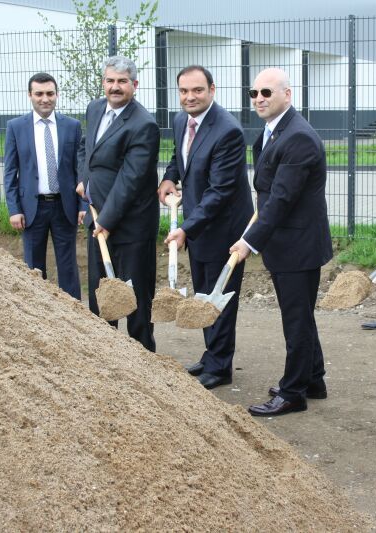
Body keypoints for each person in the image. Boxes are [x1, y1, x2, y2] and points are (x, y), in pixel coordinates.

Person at [230, 68, 333, 416]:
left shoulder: (298, 138)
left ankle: (293, 393)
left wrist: (249, 241)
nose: (259, 98)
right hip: (287, 243)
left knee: (296, 319)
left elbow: (281, 199)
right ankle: (313, 379)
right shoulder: (272, 133)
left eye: (267, 93)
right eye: (254, 93)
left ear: (287, 95)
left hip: (298, 246)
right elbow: (270, 193)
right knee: (300, 314)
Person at [157, 65, 254, 389]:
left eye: (197, 90)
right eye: (184, 91)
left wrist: (187, 227)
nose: (190, 97)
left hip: (223, 228)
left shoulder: (227, 130)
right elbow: (180, 156)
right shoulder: (181, 120)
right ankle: (211, 354)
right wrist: (170, 177)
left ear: (212, 90)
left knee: (219, 298)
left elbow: (221, 191)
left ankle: (220, 366)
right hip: (199, 223)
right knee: (202, 293)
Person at [76, 56, 159, 352]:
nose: (115, 87)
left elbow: (130, 180)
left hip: (131, 227)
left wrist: (106, 222)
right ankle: (106, 358)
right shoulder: (95, 108)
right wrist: (84, 179)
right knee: (102, 296)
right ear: (103, 83)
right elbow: (88, 149)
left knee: (135, 300)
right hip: (100, 221)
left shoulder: (144, 125)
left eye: (122, 81)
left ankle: (143, 359)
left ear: (134, 85)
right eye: (110, 81)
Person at [3, 72, 85, 300]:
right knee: (33, 267)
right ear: (30, 95)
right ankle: (38, 311)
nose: (45, 99)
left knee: (68, 265)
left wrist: (82, 205)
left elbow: (79, 169)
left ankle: (74, 313)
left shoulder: (72, 126)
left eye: (50, 93)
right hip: (32, 208)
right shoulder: (16, 127)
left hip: (64, 206)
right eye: (39, 94)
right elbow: (10, 171)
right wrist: (14, 209)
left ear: (56, 94)